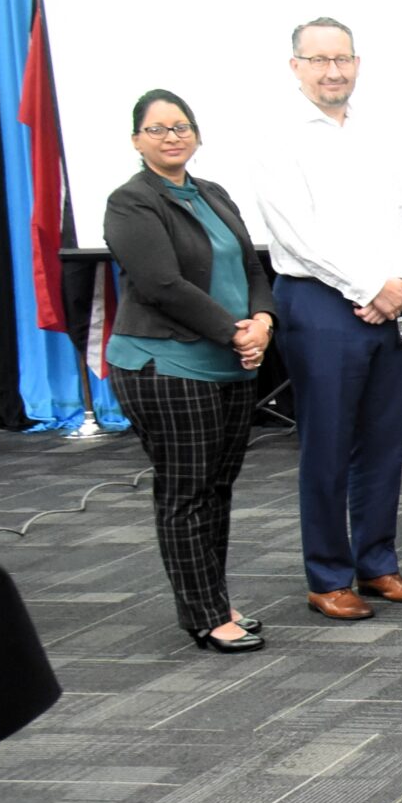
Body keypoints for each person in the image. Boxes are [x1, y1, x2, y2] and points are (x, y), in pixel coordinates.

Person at [254, 18, 402, 622]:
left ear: (357, 63)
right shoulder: (279, 137)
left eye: (343, 59)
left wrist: (400, 281)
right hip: (320, 302)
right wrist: (370, 287)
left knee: (383, 443)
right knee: (327, 446)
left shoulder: (377, 130)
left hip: (388, 299)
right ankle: (328, 576)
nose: (333, 71)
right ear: (295, 67)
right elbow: (298, 233)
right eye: (319, 60)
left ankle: (377, 562)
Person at [104, 90, 276, 653]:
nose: (172, 136)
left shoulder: (213, 194)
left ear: (197, 135)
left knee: (216, 489)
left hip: (229, 364)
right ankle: (203, 615)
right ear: (137, 141)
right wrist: (235, 332)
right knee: (186, 493)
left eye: (181, 126)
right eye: (157, 129)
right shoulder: (131, 202)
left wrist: (263, 321)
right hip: (167, 366)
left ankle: (213, 599)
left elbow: (251, 265)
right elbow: (162, 285)